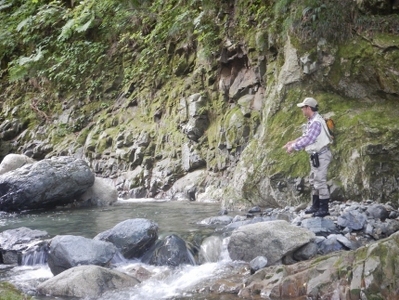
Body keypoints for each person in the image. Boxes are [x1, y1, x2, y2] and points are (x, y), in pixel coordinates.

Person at [283, 97, 333, 217]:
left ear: (308, 108)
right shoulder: (312, 120)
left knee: (320, 180)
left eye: (303, 108)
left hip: (321, 155)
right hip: (316, 156)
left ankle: (324, 208)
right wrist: (293, 142)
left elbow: (309, 139)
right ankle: (315, 206)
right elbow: (305, 136)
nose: (301, 110)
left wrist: (293, 147)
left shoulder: (316, 122)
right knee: (313, 180)